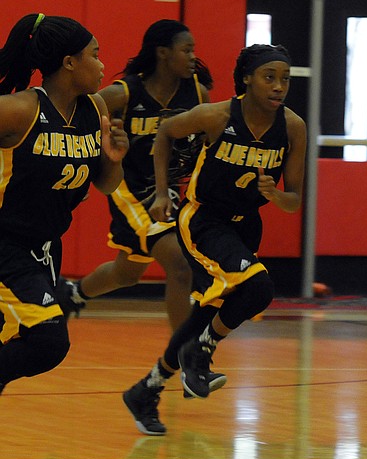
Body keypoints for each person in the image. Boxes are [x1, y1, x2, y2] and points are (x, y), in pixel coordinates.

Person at [122, 43, 306, 435]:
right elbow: (166, 132)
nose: (278, 86)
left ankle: (147, 389)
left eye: (285, 79)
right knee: (259, 287)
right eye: (269, 77)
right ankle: (201, 353)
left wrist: (276, 195)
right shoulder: (217, 115)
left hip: (245, 225)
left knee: (207, 312)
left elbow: (294, 202)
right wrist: (159, 192)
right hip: (203, 220)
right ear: (246, 79)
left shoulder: (292, 127)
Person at [0, 13, 129, 394]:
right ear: (70, 63)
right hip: (6, 244)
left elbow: (106, 184)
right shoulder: (21, 110)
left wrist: (115, 158)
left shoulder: (97, 110)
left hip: (44, 248)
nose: (104, 64)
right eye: (96, 54)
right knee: (49, 342)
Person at [58, 20, 213, 334]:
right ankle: (186, 358)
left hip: (170, 191)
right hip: (129, 189)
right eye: (186, 50)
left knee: (127, 272)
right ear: (163, 53)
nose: (193, 57)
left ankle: (72, 292)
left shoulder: (198, 93)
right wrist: (83, 167)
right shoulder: (124, 93)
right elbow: (78, 115)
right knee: (180, 265)